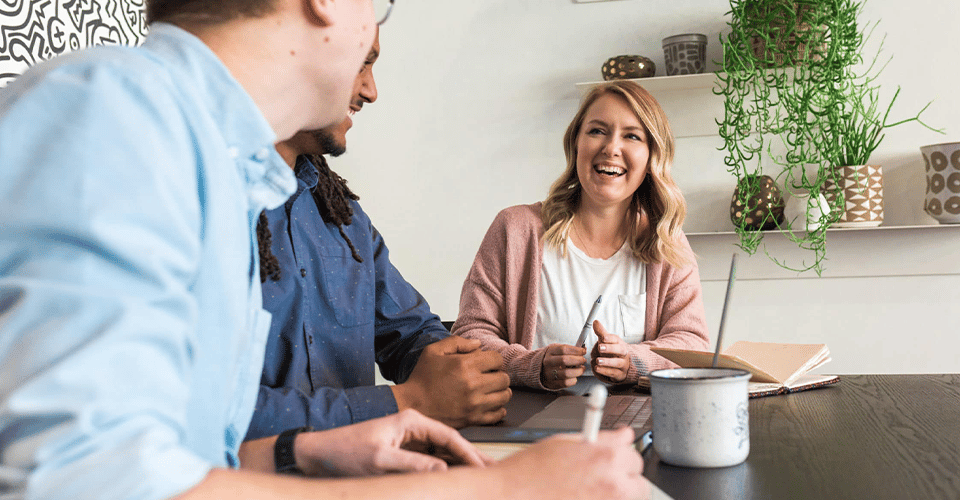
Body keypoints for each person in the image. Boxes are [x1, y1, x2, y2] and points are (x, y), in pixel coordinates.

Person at [0, 1, 649, 499]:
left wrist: (305, 455)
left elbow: (194, 457)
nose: (372, 85)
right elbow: (92, 484)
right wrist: (501, 487)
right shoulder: (115, 114)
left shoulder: (227, 171)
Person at [246, 30, 510, 441]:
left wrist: (456, 369)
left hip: (365, 468)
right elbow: (215, 416)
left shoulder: (342, 215)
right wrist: (407, 402)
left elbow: (408, 329)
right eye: (362, 64)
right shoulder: (208, 207)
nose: (371, 91)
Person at [452, 80, 710, 391]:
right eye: (597, 131)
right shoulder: (515, 229)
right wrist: (532, 365)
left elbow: (693, 345)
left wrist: (634, 361)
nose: (611, 148)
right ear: (577, 144)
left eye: (631, 136)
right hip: (531, 418)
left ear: (651, 156)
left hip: (634, 419)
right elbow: (469, 335)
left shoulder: (666, 240)